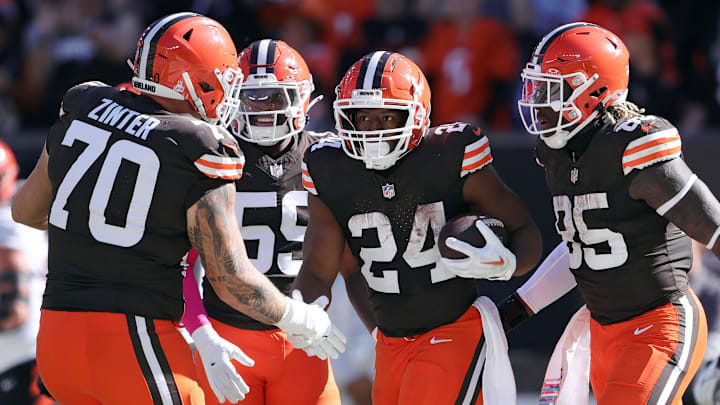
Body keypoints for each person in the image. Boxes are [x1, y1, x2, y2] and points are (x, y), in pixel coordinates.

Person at [10, 13, 344, 405]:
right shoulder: (199, 145)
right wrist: (298, 318)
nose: (230, 93)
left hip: (56, 341)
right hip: (134, 340)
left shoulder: (85, 102)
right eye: (223, 78)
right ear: (191, 81)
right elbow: (231, 278)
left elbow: (26, 210)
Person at [294, 50, 543, 405]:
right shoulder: (329, 169)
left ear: (418, 115)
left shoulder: (448, 154)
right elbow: (326, 269)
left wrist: (509, 264)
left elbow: (525, 230)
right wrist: (304, 312)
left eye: (386, 116)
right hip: (391, 343)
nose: (371, 129)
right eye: (361, 116)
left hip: (452, 330)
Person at [502, 22, 720, 404]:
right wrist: (522, 305)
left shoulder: (634, 145)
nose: (539, 102)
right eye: (536, 88)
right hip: (603, 332)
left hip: (659, 324)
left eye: (551, 90)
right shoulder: (558, 152)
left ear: (593, 89)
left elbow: (715, 228)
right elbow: (580, 244)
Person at [181, 39, 345, 405]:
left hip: (303, 336)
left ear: (302, 98)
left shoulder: (326, 157)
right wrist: (202, 335)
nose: (263, 110)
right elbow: (179, 265)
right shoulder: (214, 155)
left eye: (276, 97)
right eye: (252, 97)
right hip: (229, 333)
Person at [0, 140, 52, 405]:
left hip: (17, 360)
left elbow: (12, 309)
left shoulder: (5, 226)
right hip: (30, 352)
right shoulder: (20, 215)